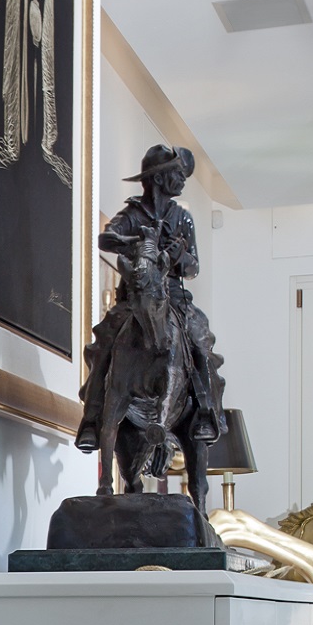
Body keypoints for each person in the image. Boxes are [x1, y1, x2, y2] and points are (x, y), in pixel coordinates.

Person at [78, 144, 227, 507]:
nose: (181, 181)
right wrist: (135, 243)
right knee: (103, 344)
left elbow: (193, 267)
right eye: (177, 175)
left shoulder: (182, 218)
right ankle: (92, 418)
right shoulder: (133, 213)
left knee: (201, 343)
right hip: (133, 298)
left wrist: (178, 255)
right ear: (160, 178)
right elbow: (105, 238)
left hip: (172, 298)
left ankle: (205, 412)